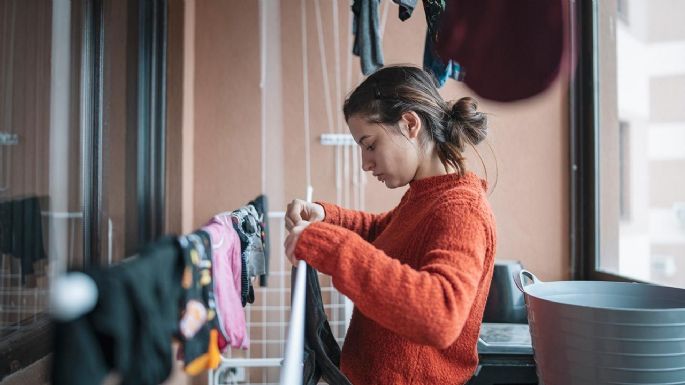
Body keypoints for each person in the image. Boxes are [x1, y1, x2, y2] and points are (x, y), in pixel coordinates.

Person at [284, 65, 497, 385]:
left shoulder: (461, 209)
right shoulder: (427, 195)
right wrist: (327, 217)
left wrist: (328, 245)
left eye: (370, 145)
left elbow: (440, 315)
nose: (365, 163)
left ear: (410, 123)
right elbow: (385, 232)